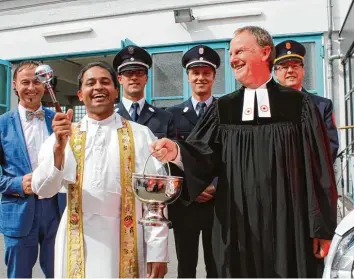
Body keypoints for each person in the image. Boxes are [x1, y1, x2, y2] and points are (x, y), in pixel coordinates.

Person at [151, 26, 338, 278]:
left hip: (289, 223)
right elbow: (202, 153)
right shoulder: (224, 108)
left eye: (240, 50)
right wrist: (177, 152)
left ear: (265, 52)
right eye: (231, 53)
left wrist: (322, 227)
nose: (232, 58)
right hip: (237, 225)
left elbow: (319, 168)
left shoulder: (299, 105)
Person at [31, 62, 169, 278]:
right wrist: (59, 148)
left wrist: (157, 251)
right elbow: (43, 189)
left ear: (116, 91)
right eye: (90, 83)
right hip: (76, 238)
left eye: (105, 82)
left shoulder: (141, 135)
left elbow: (155, 197)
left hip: (125, 238)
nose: (98, 88)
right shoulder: (64, 134)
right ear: (80, 94)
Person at [0, 60, 61, 278]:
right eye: (25, 82)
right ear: (15, 85)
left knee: (60, 272)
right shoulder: (2, 124)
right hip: (18, 209)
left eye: (37, 81)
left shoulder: (58, 121)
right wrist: (17, 184)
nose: (31, 87)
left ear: (45, 84)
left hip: (56, 209)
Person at [166, 45, 220, 278]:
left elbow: (231, 156)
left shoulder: (226, 111)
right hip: (186, 202)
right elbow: (169, 161)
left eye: (206, 73)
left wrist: (216, 184)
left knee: (217, 266)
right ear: (188, 76)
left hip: (218, 202)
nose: (200, 78)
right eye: (195, 72)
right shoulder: (172, 114)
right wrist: (192, 188)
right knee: (186, 267)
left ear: (214, 77)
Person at [274, 40, 339, 162]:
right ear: (276, 73)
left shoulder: (322, 106)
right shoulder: (266, 105)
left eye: (295, 66)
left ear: (303, 71)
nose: (290, 71)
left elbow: (331, 146)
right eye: (284, 67)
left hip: (312, 178)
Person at [113, 45, 175, 139]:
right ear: (120, 79)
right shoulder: (110, 116)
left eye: (139, 73)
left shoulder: (164, 117)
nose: (134, 78)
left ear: (146, 78)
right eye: (128, 73)